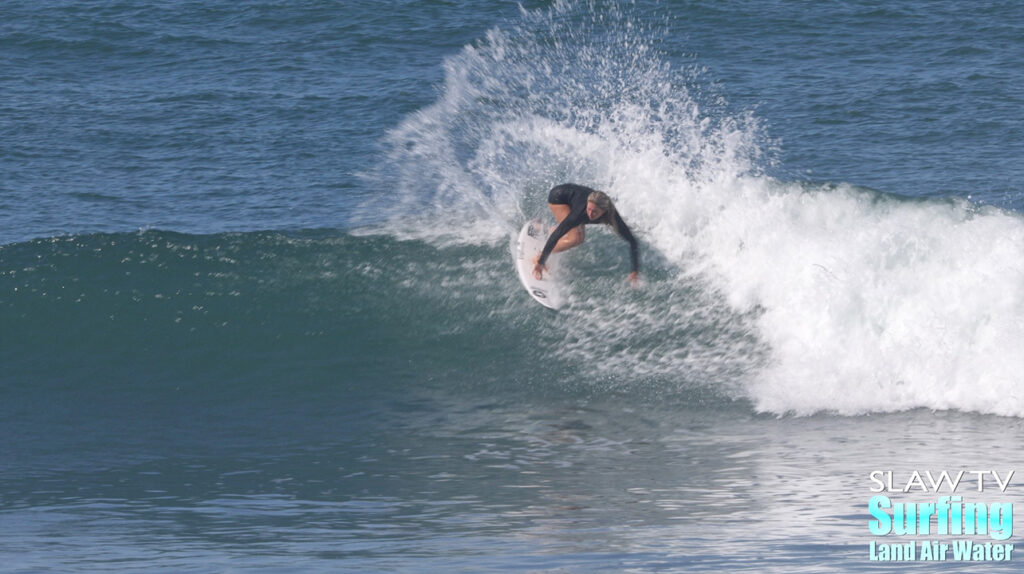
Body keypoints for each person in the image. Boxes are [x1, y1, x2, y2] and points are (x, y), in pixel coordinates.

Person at [533, 183, 640, 286]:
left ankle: (543, 229)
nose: (590, 214)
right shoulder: (580, 213)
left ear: (604, 211)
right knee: (574, 238)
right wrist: (541, 262)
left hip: (574, 197)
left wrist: (634, 270)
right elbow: (557, 235)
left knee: (579, 238)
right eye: (589, 209)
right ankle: (538, 258)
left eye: (595, 212)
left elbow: (632, 241)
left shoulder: (612, 216)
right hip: (559, 198)